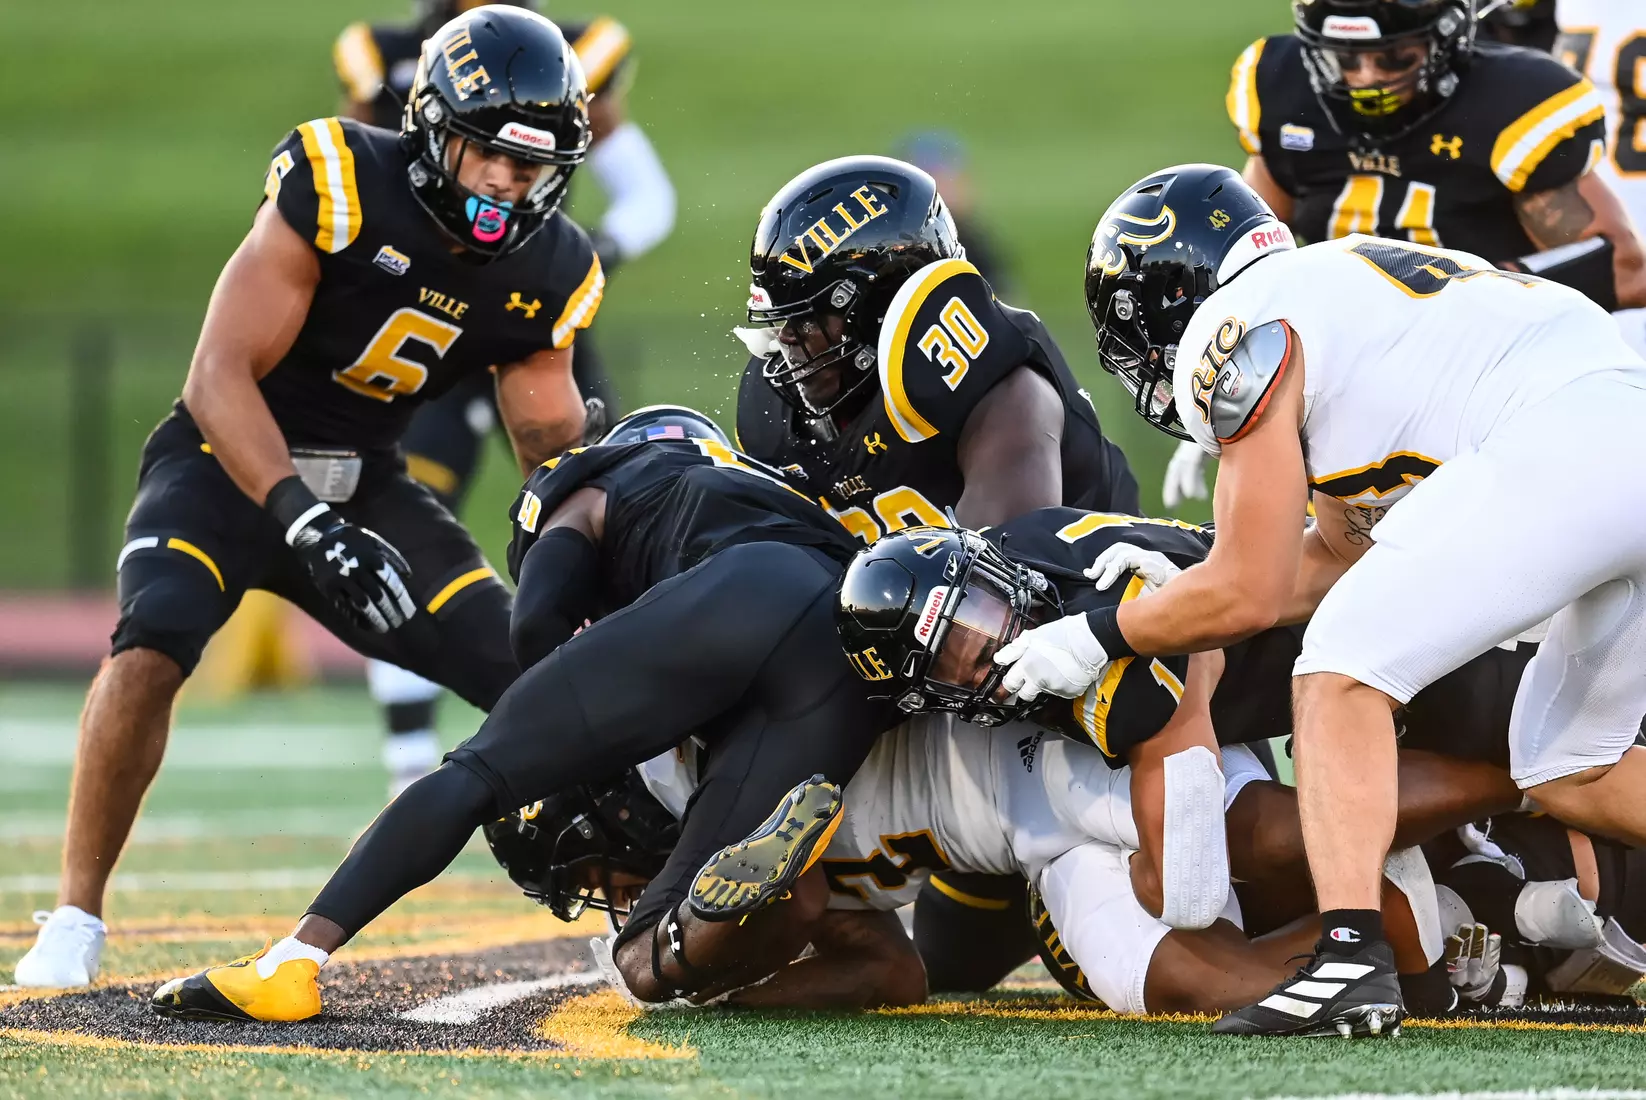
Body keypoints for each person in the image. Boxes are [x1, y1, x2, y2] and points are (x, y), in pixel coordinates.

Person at [11, 7, 599, 990]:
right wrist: (300, 515)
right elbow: (217, 375)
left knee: (543, 674)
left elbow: (548, 439)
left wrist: (597, 523)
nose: (506, 182)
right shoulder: (338, 180)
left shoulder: (551, 267)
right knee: (152, 639)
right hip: (225, 461)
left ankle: (653, 890)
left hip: (365, 481)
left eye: (528, 164)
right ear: (432, 128)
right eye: (487, 153)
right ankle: (74, 914)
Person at [993, 161, 1646, 1036]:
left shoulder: (1237, 329)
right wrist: (1181, 597)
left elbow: (1252, 590)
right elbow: (1342, 554)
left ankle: (1348, 959)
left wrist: (1100, 634)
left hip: (1568, 440)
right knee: (1572, 765)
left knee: (1339, 666)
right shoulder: (1337, 293)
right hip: (1615, 425)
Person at [147, 409, 900, 1022]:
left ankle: (293, 963)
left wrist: (574, 743)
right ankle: (776, 934)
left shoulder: (595, 486)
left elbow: (534, 623)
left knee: (478, 773)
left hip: (742, 593)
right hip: (848, 643)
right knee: (657, 955)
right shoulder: (762, 483)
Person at [334, 0, 675, 794]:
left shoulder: (569, 52)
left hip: (534, 322)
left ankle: (650, 733)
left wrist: (587, 255)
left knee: (606, 514)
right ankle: (410, 757)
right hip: (425, 325)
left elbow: (646, 194)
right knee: (399, 518)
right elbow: (352, 182)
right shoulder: (382, 55)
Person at [1162, 0, 1646, 510]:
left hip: (1476, 390)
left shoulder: (1507, 103)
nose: (1368, 78)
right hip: (1343, 389)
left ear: (1446, 39)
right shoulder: (1282, 91)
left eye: (1394, 57)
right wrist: (1222, 364)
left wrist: (1482, 294)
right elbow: (1255, 253)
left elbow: (1623, 264)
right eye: (1345, 59)